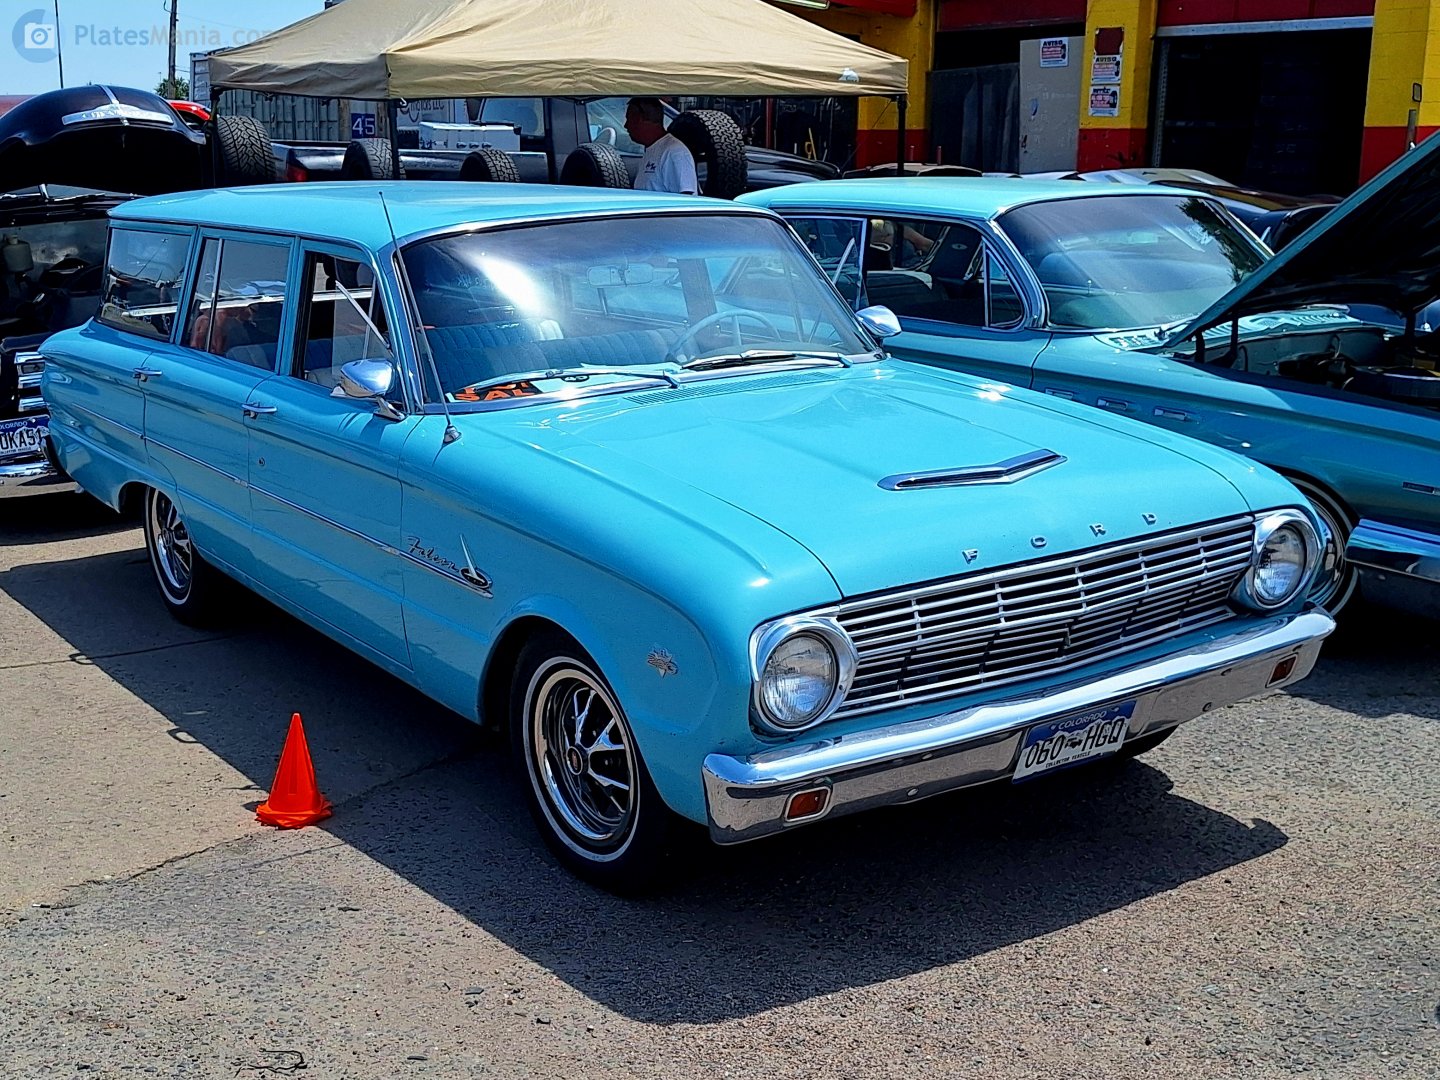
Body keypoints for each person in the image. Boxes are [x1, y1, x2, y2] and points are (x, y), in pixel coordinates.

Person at [624, 98, 697, 195]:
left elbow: (687, 198)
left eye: (629, 119)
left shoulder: (675, 153)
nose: (625, 125)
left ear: (642, 119)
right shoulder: (651, 149)